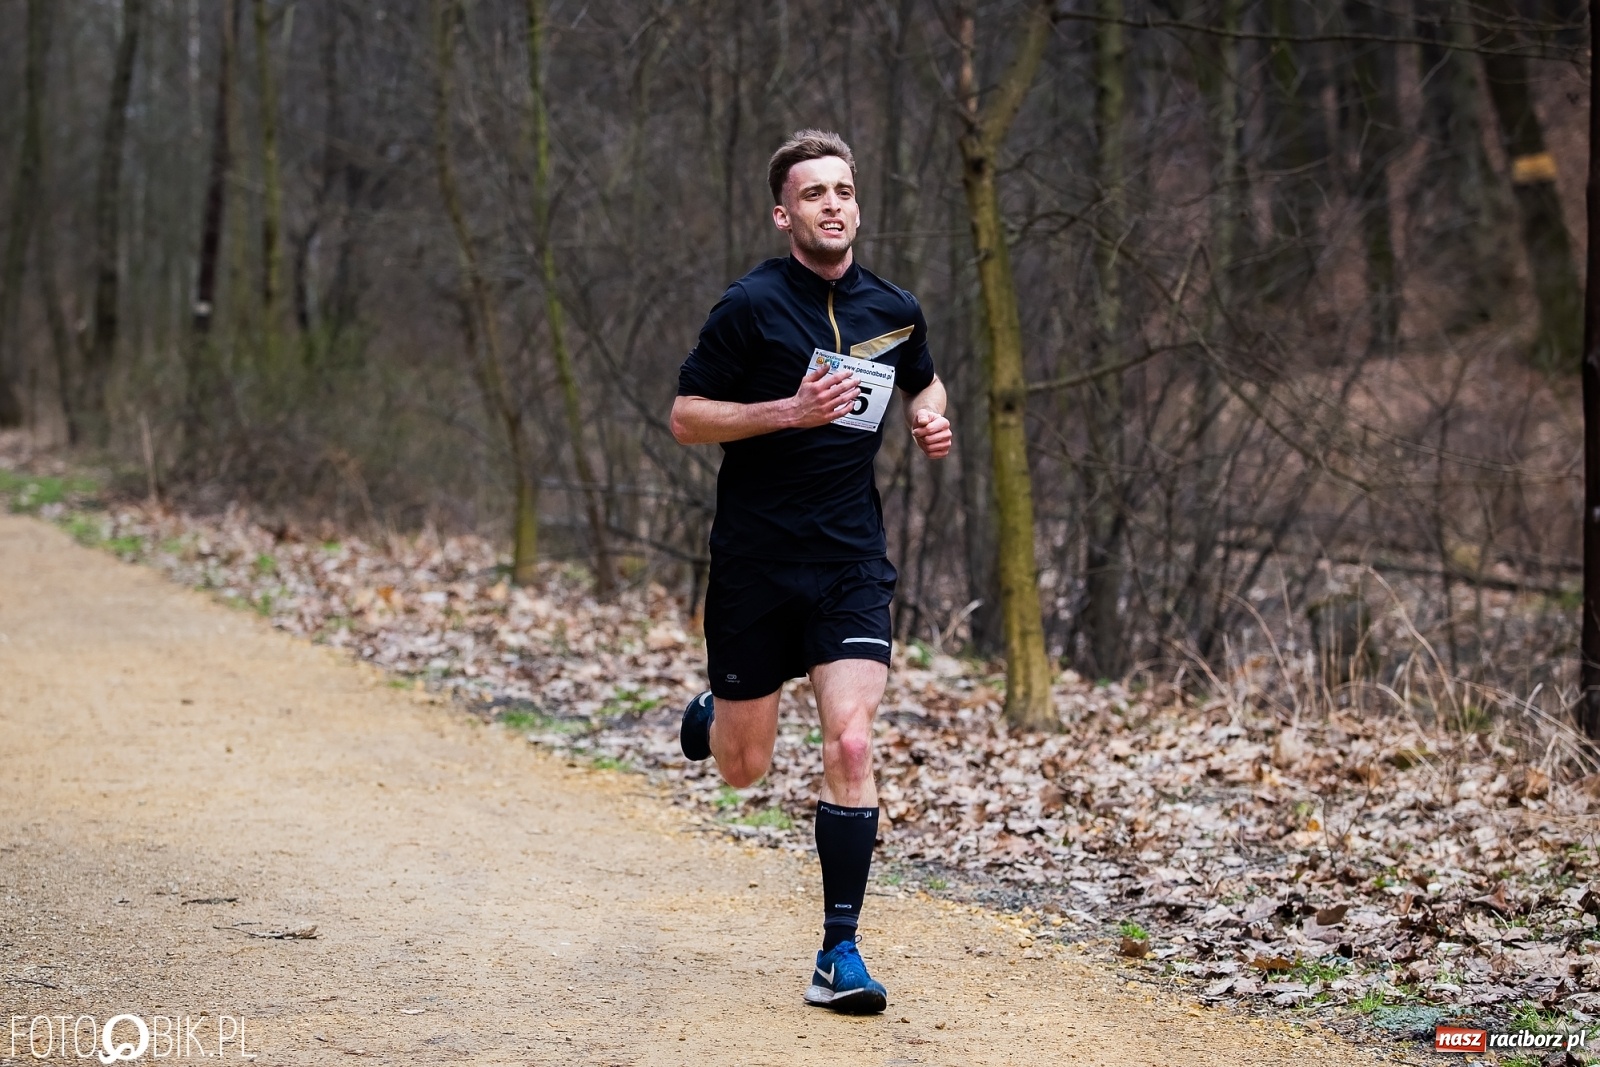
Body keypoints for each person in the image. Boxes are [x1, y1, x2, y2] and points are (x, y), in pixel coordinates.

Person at [670, 129, 951, 1015]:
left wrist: (931, 419)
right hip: (756, 561)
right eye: (814, 193)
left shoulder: (893, 307)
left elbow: (925, 381)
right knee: (744, 769)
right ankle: (720, 713)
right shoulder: (750, 306)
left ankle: (839, 952)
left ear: (857, 202)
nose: (833, 204)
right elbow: (685, 415)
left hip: (849, 561)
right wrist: (786, 411)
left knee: (853, 742)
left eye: (844, 189)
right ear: (784, 213)